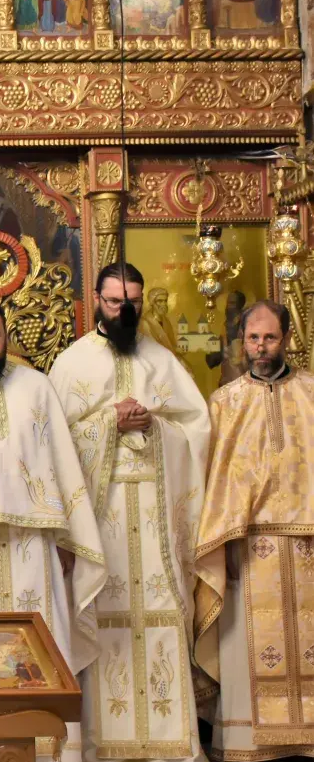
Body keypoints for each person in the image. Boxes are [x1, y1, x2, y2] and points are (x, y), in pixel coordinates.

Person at [0, 296, 106, 762]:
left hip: (35, 546)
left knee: (45, 649)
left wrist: (70, 539)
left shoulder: (37, 387)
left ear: (5, 334)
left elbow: (63, 466)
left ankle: (53, 754)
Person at [48, 263, 209, 762]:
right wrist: (106, 422)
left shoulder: (162, 360)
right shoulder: (71, 364)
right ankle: (101, 747)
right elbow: (53, 445)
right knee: (102, 617)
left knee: (164, 614)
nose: (124, 310)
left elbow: (196, 432)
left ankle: (173, 747)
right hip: (99, 523)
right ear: (96, 300)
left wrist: (155, 427)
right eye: (115, 302)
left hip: (157, 519)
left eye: (132, 302)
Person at [194, 301, 314, 759]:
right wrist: (220, 543)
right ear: (242, 342)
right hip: (248, 550)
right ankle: (250, 745)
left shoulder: (311, 393)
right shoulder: (224, 403)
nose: (261, 347)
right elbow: (213, 481)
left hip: (308, 547)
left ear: (287, 339)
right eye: (253, 338)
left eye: (270, 338)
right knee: (247, 648)